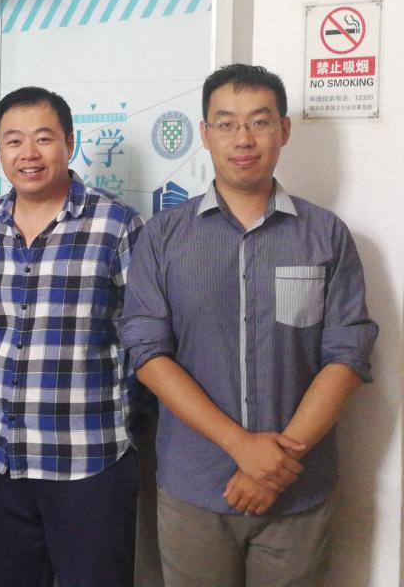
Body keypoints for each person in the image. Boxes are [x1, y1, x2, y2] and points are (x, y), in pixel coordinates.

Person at [118, 64, 378, 587]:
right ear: (205, 133)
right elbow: (147, 352)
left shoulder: (326, 235)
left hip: (297, 492)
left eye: (259, 122)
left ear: (284, 130)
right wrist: (241, 446)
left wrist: (274, 466)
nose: (243, 139)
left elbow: (347, 355)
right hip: (194, 486)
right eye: (227, 123)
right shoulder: (163, 237)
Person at [0, 86, 144, 587]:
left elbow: (143, 336)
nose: (28, 153)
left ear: (69, 142)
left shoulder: (117, 225)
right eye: (14, 141)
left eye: (43, 138)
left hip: (88, 457)